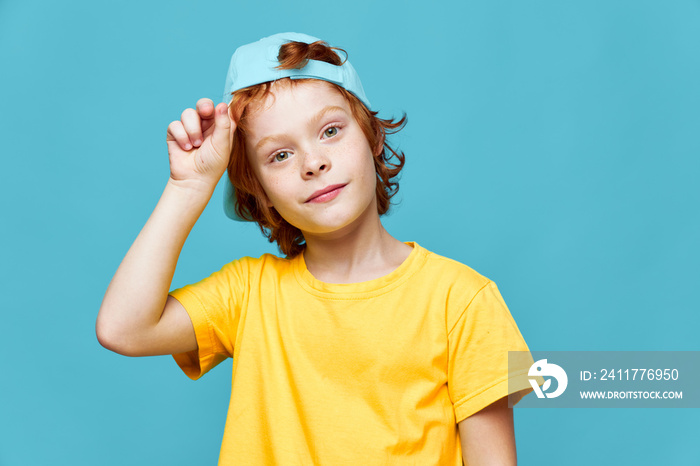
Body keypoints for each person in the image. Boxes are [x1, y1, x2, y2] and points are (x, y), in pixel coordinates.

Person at [97, 32, 538, 465]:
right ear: (260, 192)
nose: (313, 163)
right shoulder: (249, 294)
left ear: (371, 137)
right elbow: (122, 329)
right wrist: (188, 187)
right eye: (280, 155)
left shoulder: (465, 300)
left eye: (330, 130)